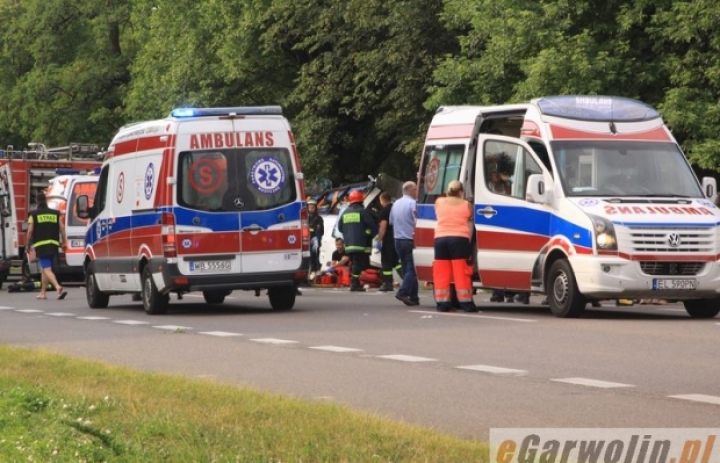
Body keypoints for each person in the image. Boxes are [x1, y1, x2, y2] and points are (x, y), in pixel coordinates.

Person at [432, 180, 477, 312]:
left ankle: (442, 304)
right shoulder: (466, 204)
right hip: (459, 240)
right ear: (461, 191)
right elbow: (470, 216)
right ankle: (466, 304)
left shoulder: (439, 202)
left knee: (441, 273)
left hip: (440, 239)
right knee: (461, 273)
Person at [26, 192, 67, 300]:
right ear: (46, 200)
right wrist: (64, 242)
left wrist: (27, 245)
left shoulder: (33, 214)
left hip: (41, 245)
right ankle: (43, 292)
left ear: (37, 202)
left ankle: (58, 287)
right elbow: (62, 228)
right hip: (53, 244)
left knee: (46, 269)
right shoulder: (55, 213)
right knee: (44, 268)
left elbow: (30, 231)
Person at [337, 190, 377, 291]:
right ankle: (354, 284)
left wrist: (348, 234)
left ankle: (355, 282)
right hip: (360, 243)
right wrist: (369, 235)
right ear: (361, 201)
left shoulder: (345, 212)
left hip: (349, 244)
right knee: (358, 263)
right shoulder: (362, 211)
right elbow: (373, 226)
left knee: (354, 263)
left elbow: (340, 228)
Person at [389, 181, 419, 306]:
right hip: (409, 239)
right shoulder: (413, 203)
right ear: (411, 190)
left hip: (398, 240)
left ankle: (414, 297)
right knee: (412, 270)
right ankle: (403, 292)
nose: (417, 191)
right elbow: (418, 221)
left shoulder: (395, 204)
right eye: (416, 189)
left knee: (407, 268)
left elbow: (391, 221)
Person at [376, 192, 401, 292]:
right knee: (395, 261)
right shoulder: (396, 208)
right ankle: (407, 278)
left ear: (382, 200)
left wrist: (379, 240)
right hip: (397, 237)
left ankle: (387, 283)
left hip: (388, 238)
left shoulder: (385, 211)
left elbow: (383, 227)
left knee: (386, 261)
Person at [307, 199, 324, 278]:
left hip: (314, 240)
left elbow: (319, 231)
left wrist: (316, 240)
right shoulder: (305, 218)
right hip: (306, 240)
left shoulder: (318, 219)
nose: (311, 209)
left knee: (314, 256)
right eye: (310, 207)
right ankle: (309, 271)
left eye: (312, 207)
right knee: (308, 257)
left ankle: (315, 271)